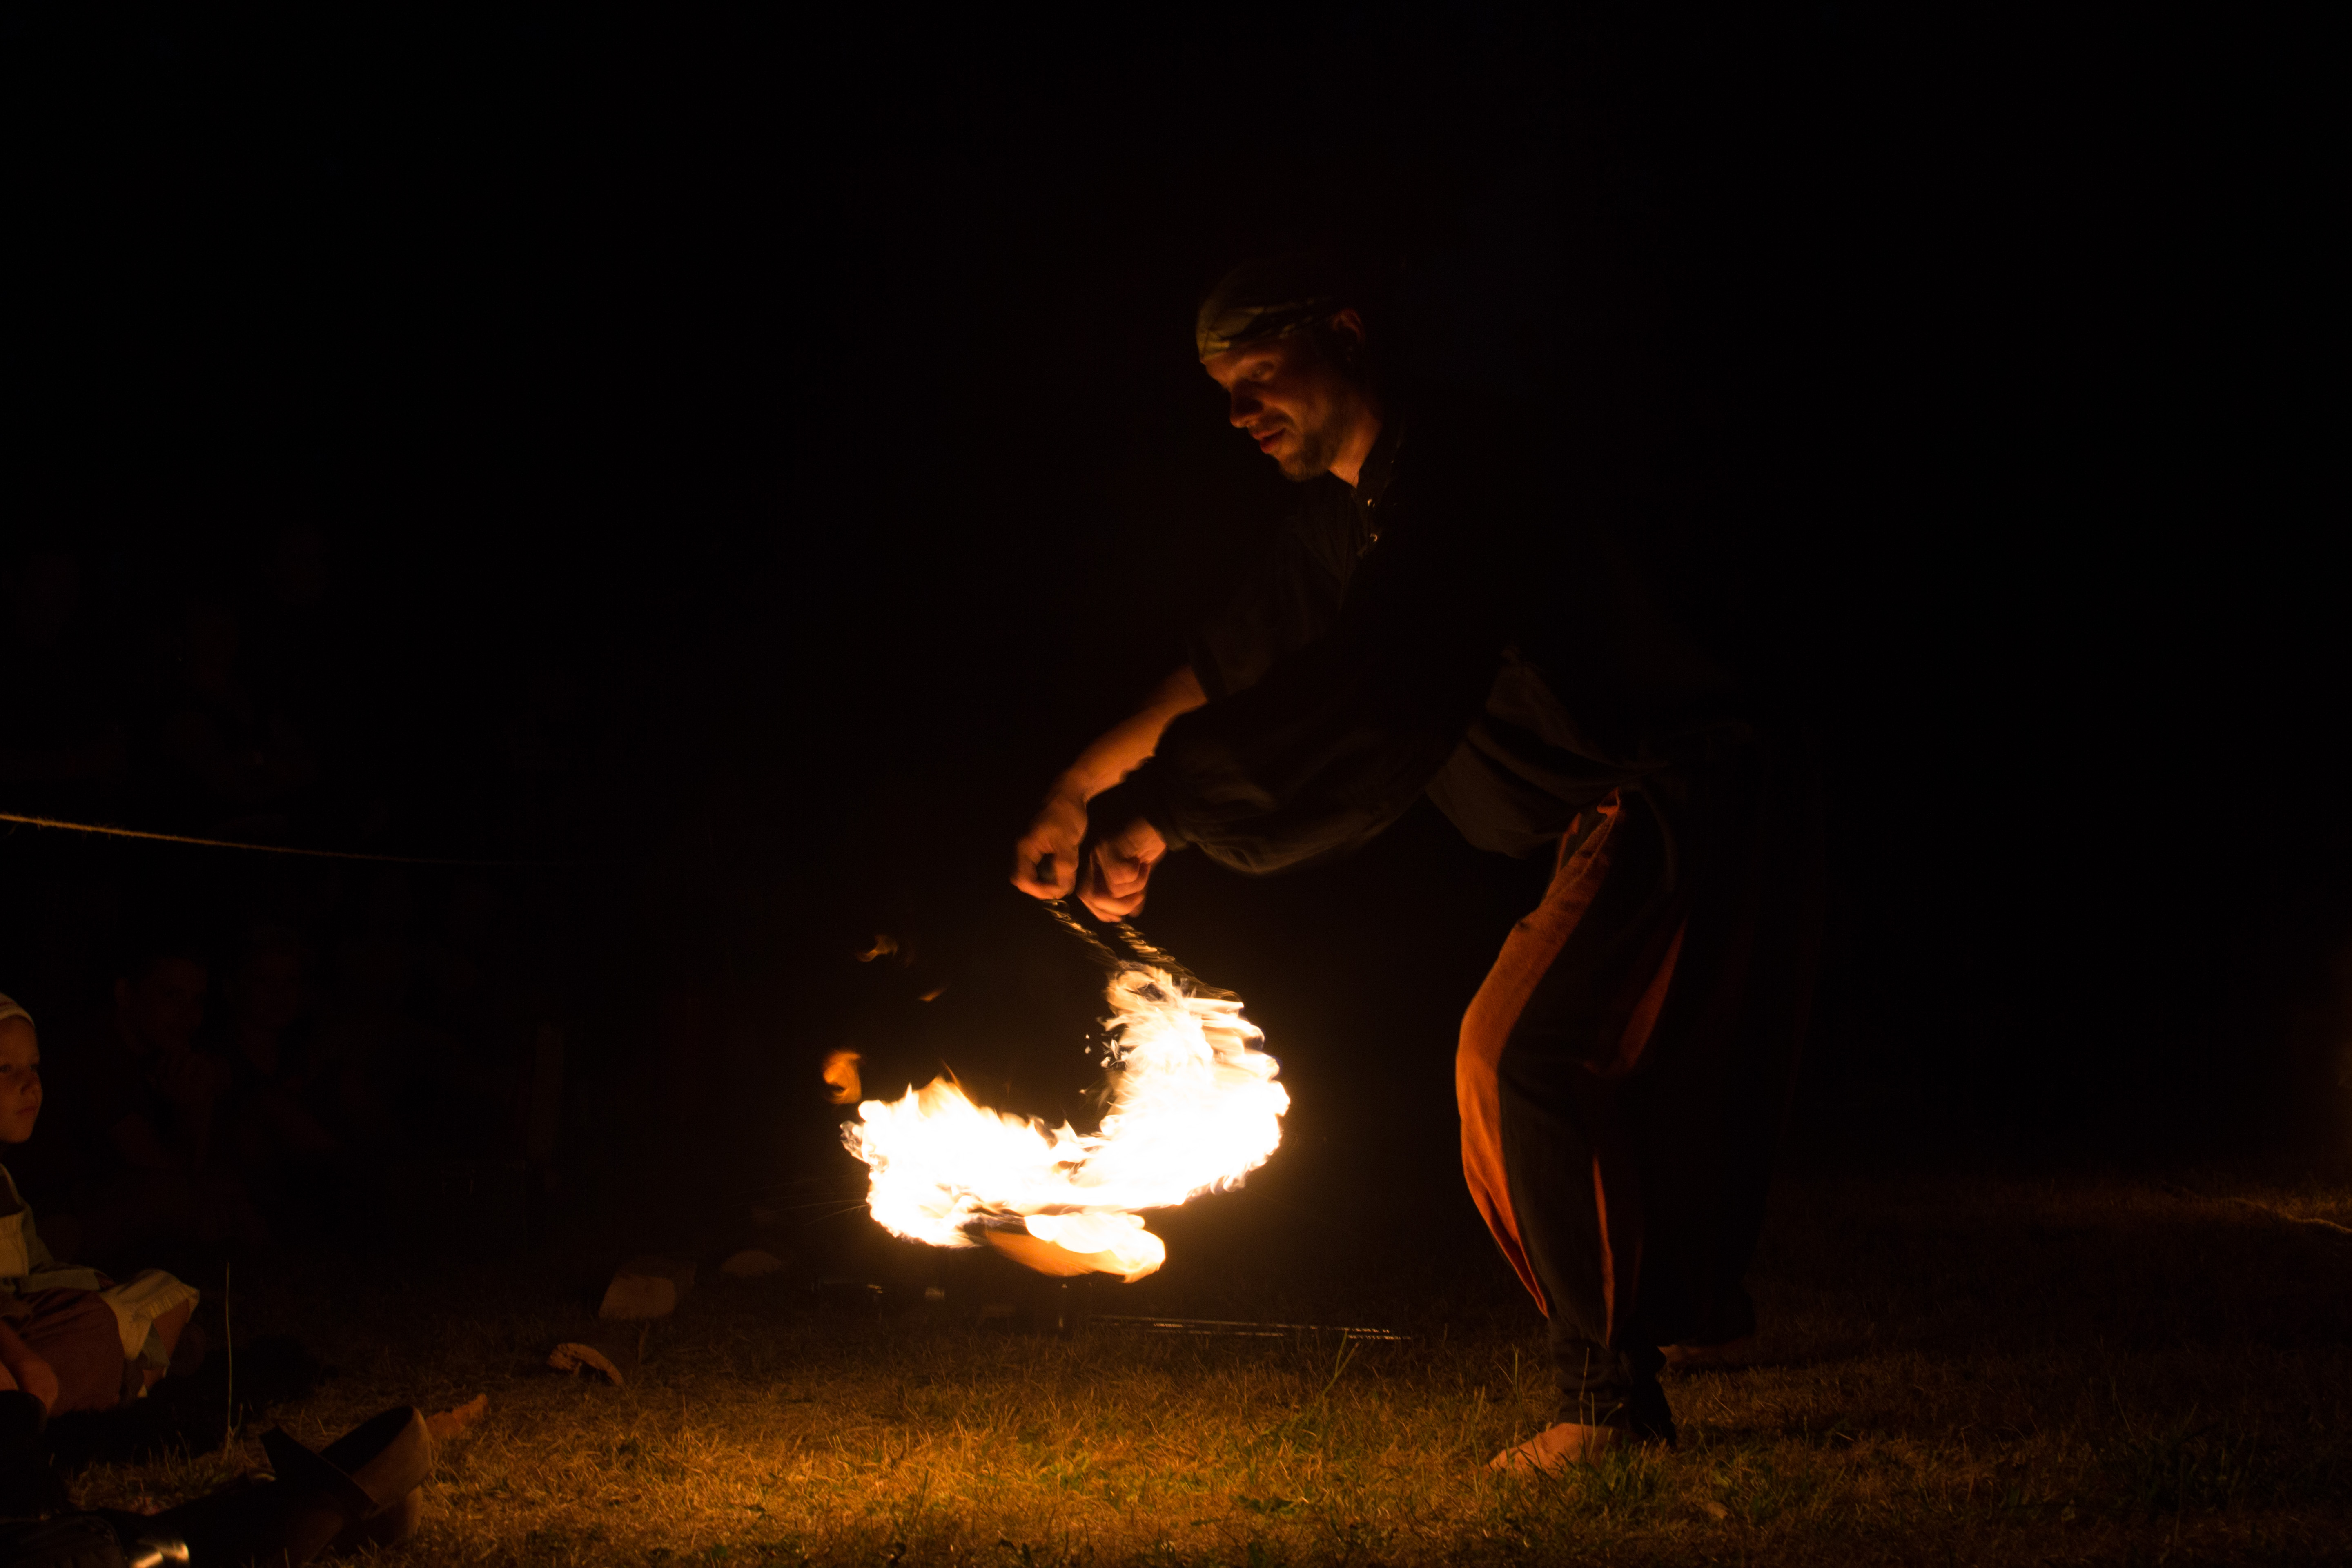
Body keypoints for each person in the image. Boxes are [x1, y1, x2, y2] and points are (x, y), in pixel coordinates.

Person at [1011, 254, 1820, 1470]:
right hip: (1614, 808)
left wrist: (1173, 811)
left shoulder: (1461, 477)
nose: (1239, 411)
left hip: (1674, 784)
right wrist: (1080, 791)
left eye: (1260, 371)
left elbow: (1376, 690)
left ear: (1344, 333)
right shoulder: (1343, 522)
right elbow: (1226, 665)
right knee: (1584, 1068)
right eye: (1223, 389)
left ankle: (1605, 1406)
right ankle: (1665, 1321)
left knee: (1521, 1055)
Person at [0, 993, 198, 1422]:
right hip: (12, 1345)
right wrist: (21, 1357)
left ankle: (102, 1386)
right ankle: (101, 1390)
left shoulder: (4, 1183)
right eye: (4, 1070)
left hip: (27, 1327)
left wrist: (90, 1284)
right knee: (98, 1324)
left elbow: (36, 1270)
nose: (30, 1084)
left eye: (33, 1067)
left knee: (166, 1294)